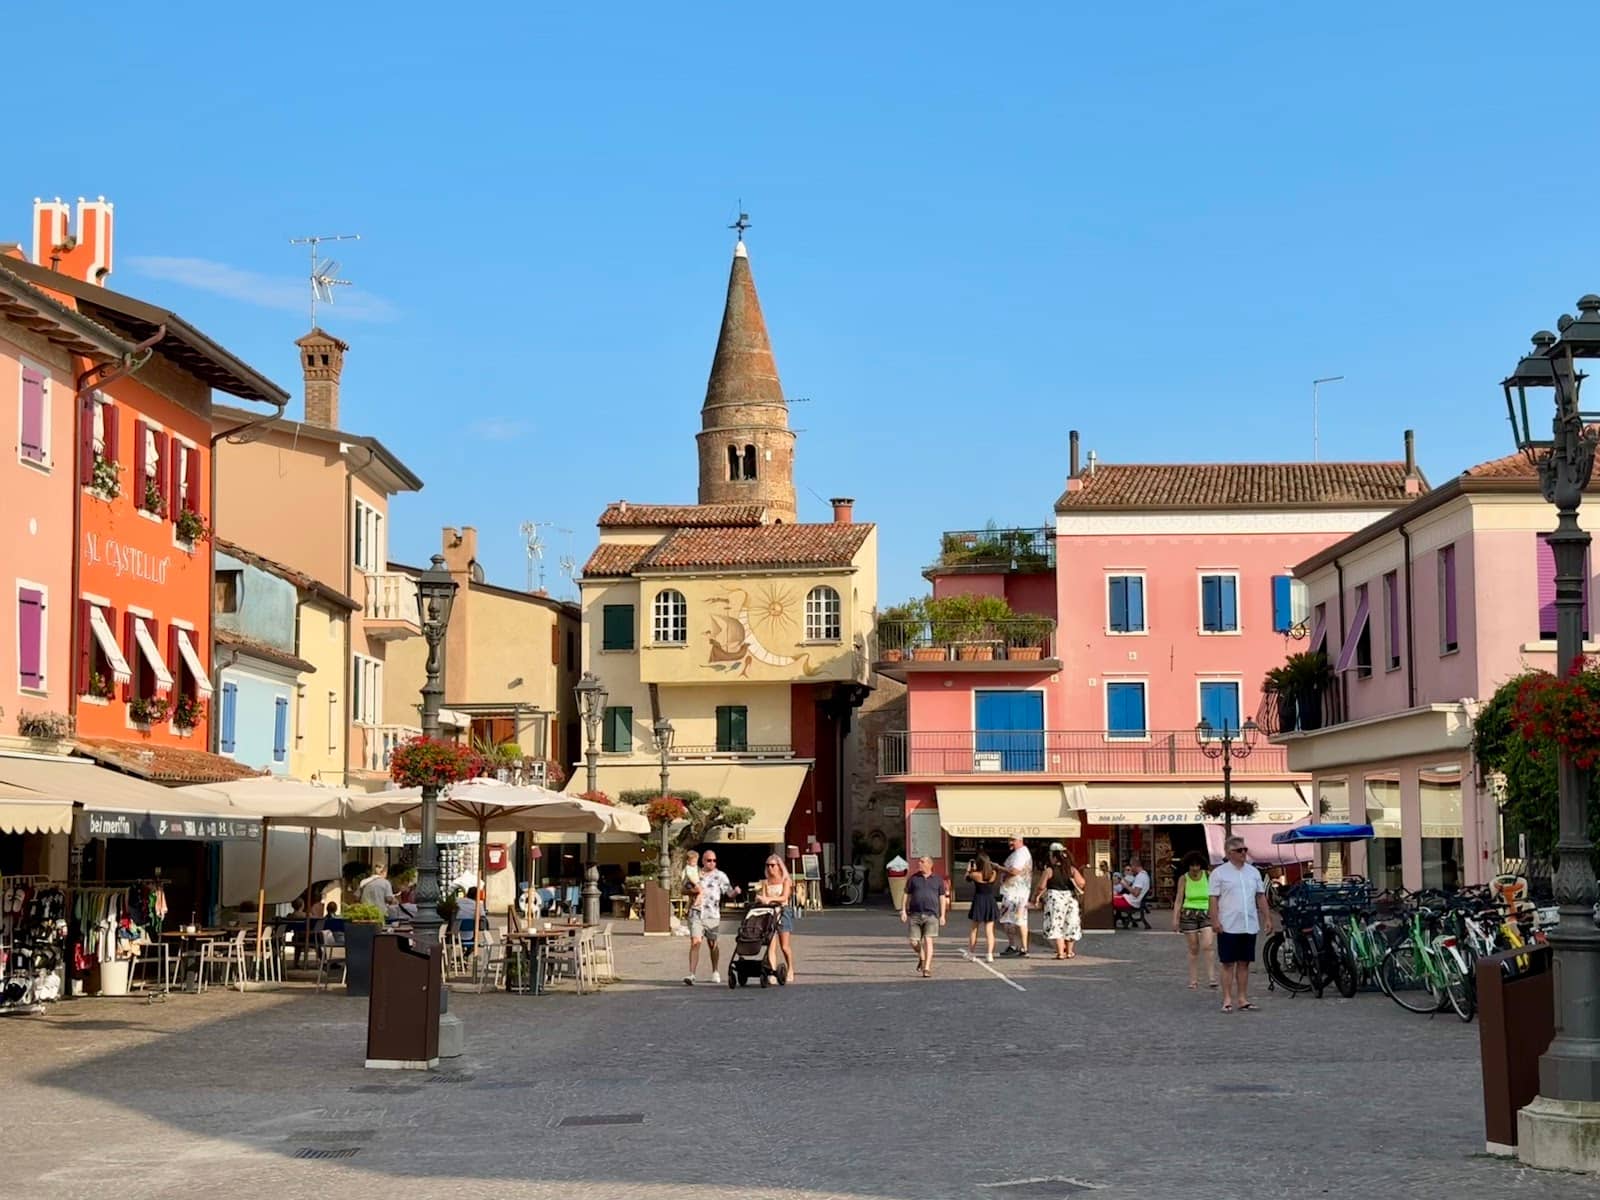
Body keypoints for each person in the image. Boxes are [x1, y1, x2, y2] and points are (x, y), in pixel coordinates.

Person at [1209, 835, 1273, 1013]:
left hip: (1248, 923)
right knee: (1228, 963)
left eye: (1245, 849)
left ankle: (1243, 998)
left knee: (1244, 962)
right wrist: (1214, 920)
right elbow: (1213, 899)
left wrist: (1267, 918)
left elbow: (1260, 896)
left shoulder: (1253, 872)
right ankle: (1227, 998)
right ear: (1229, 853)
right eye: (1239, 850)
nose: (1244, 853)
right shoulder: (1219, 873)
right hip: (1228, 924)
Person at [683, 849, 738, 985]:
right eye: (709, 860)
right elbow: (683, 889)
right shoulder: (694, 872)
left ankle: (715, 971)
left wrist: (735, 892)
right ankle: (692, 974)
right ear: (703, 861)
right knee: (696, 942)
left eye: (714, 860)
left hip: (712, 914)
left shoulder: (720, 875)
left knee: (712, 943)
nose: (712, 863)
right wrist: (693, 891)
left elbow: (729, 892)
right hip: (696, 912)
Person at [1033, 843, 1086, 960]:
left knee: (1057, 924)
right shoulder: (1071, 869)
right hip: (1070, 898)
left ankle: (1060, 952)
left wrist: (1036, 896)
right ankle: (1070, 951)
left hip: (1055, 899)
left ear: (1054, 857)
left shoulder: (1049, 870)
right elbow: (1082, 882)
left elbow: (1041, 886)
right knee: (1070, 924)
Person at [1172, 850, 1216, 990]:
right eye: (1192, 866)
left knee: (1208, 945)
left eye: (1197, 865)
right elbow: (1179, 899)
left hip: (1206, 913)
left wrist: (1217, 914)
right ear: (1188, 866)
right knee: (1193, 948)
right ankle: (1193, 979)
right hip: (1189, 913)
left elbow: (1215, 897)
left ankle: (1212, 977)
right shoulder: (1184, 878)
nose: (1195, 868)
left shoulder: (1208, 876)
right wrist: (1175, 918)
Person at [899, 855, 949, 977]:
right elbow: (906, 894)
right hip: (915, 914)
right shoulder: (913, 878)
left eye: (922, 862)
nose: (919, 864)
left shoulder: (937, 880)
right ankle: (921, 955)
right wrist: (903, 910)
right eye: (919, 861)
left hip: (931, 914)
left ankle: (927, 968)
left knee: (928, 940)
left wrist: (943, 915)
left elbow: (942, 898)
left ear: (929, 864)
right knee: (913, 942)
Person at [755, 854, 797, 982]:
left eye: (772, 865)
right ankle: (772, 972)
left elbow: (784, 897)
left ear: (779, 866)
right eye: (767, 865)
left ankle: (790, 968)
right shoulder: (766, 882)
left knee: (784, 946)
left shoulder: (786, 880)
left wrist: (769, 899)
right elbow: (763, 898)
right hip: (770, 913)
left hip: (783, 912)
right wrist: (760, 899)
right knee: (770, 945)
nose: (770, 868)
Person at [997, 836, 1034, 957]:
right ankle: (1021, 947)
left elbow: (1015, 871)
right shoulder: (1021, 852)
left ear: (1020, 841)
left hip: (1015, 894)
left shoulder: (1020, 854)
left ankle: (1017, 946)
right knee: (1016, 920)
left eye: (1013, 840)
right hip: (1016, 892)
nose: (1010, 843)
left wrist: (998, 867)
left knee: (1013, 920)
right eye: (1009, 840)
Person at [965, 852, 1000, 962]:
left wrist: (969, 868)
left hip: (979, 900)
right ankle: (989, 954)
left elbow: (966, 877)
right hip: (990, 900)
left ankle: (971, 952)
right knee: (989, 930)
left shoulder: (975, 875)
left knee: (974, 929)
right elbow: (995, 869)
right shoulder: (993, 873)